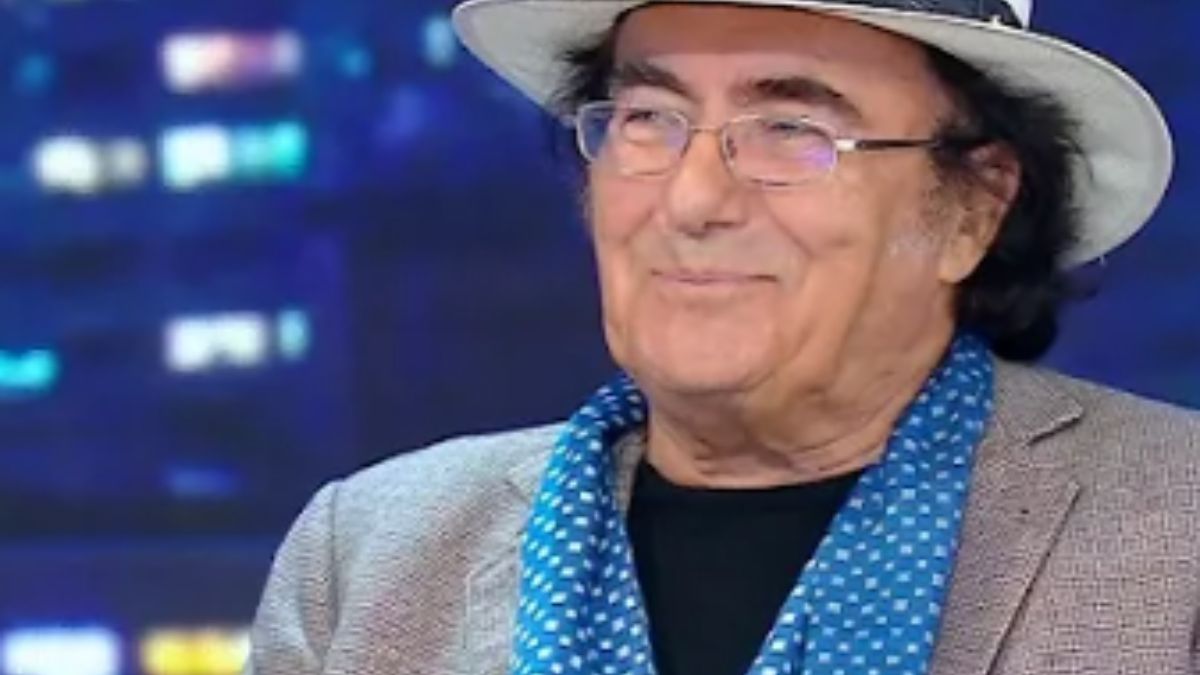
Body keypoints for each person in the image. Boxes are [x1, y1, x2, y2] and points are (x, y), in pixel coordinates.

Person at [246, 1, 1200, 673]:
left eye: (790, 127)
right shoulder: (370, 554)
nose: (692, 198)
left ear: (973, 208)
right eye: (649, 119)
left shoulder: (1178, 532)